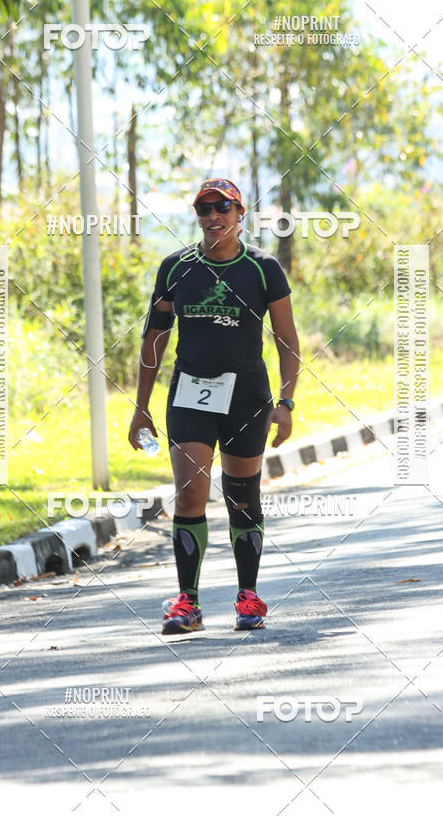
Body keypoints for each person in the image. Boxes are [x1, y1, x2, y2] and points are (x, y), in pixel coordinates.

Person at [128, 178, 299, 634]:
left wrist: (286, 401)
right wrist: (141, 407)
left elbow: (287, 339)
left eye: (224, 207)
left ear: (240, 214)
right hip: (190, 394)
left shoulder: (262, 269)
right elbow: (154, 339)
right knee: (189, 493)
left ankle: (248, 596)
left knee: (242, 498)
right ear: (197, 216)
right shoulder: (175, 268)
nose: (214, 216)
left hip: (247, 397)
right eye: (204, 209)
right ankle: (188, 603)